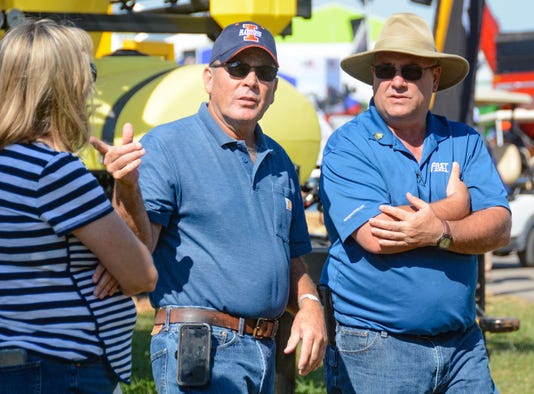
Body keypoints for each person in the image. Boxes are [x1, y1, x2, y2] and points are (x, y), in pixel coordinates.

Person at [90, 20, 326, 392]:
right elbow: (139, 246)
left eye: (264, 72)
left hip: (265, 350)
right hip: (201, 346)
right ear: (209, 78)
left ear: (275, 88)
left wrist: (310, 305)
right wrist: (127, 186)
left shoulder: (278, 160)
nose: (250, 81)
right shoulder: (168, 146)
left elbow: (293, 258)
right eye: (237, 68)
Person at [319, 13, 511, 393]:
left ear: (434, 78)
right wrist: (455, 208)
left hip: (462, 345)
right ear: (373, 76)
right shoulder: (348, 145)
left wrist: (440, 231)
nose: (397, 81)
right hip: (378, 345)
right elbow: (378, 234)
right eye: (386, 70)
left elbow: (500, 226)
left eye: (411, 71)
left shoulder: (464, 139)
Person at [0, 19, 157, 392]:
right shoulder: (53, 170)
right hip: (62, 366)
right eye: (87, 70)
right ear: (65, 86)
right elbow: (141, 276)